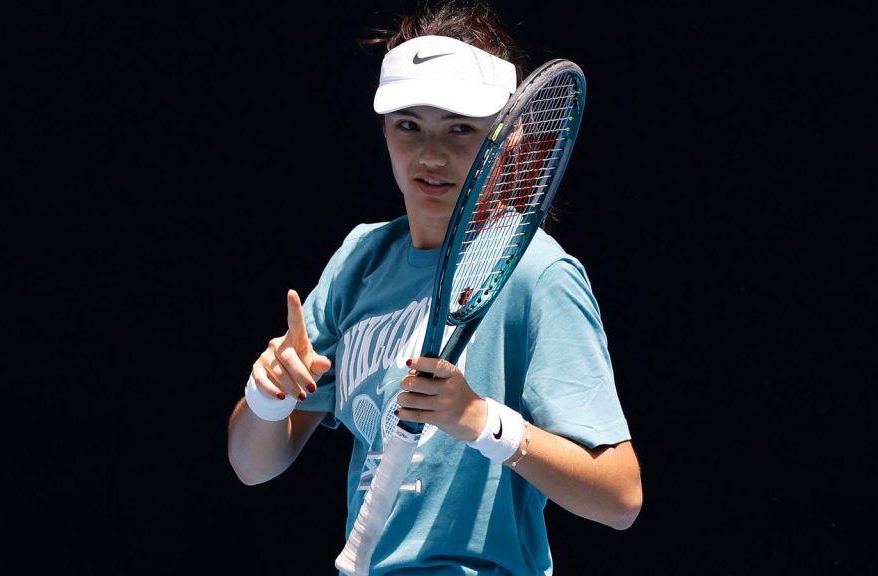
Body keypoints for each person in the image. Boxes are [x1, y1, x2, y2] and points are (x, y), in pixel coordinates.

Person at [227, 1, 642, 573]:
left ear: (509, 138)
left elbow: (620, 497)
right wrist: (265, 398)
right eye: (409, 125)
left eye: (460, 129)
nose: (431, 154)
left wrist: (482, 422)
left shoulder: (538, 275)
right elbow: (253, 466)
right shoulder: (360, 260)